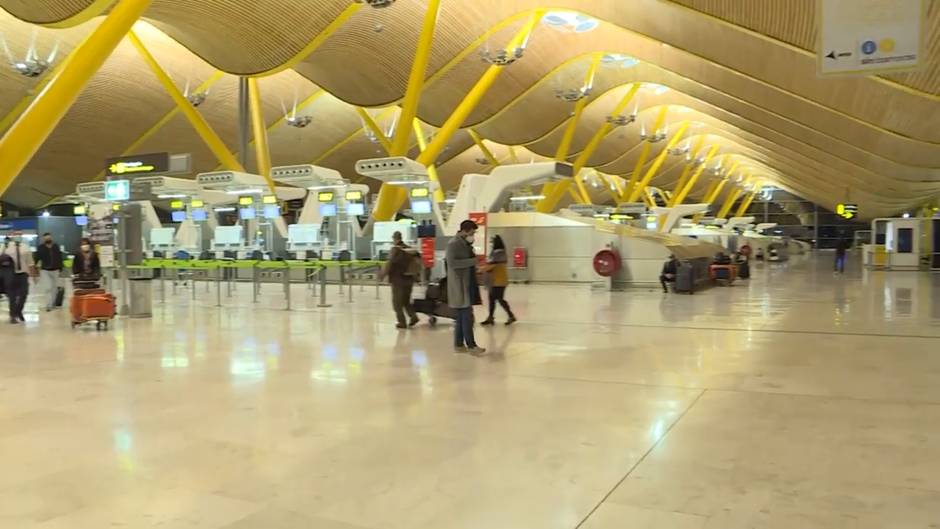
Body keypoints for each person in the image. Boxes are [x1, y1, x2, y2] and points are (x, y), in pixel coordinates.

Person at [445, 220, 485, 354]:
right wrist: (473, 261)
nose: (473, 235)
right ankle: (471, 346)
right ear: (465, 231)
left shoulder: (466, 244)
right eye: (472, 232)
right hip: (459, 284)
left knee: (462, 316)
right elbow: (452, 263)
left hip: (467, 283)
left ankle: (458, 344)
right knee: (467, 316)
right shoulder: (453, 244)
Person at [385, 231, 420, 329]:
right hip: (409, 280)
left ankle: (402, 322)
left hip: (398, 280)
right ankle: (413, 316)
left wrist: (382, 275)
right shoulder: (409, 249)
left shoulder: (395, 250)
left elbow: (389, 264)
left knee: (397, 303)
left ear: (394, 239)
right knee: (406, 301)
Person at [481, 235, 516, 325]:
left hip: (499, 280)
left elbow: (492, 265)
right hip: (494, 280)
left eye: (492, 242)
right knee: (492, 299)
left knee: (499, 299)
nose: (491, 244)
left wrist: (481, 269)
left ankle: (511, 315)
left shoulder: (499, 253)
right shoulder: (495, 253)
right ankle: (490, 317)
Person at [2, 236, 35, 323]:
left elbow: (30, 262)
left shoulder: (26, 247)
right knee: (12, 296)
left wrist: (33, 275)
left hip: (23, 274)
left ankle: (18, 311)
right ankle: (13, 315)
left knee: (24, 293)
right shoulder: (6, 247)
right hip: (9, 274)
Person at [34, 232, 64, 311]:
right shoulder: (41, 247)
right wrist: (34, 266)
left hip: (55, 270)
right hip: (45, 270)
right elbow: (36, 258)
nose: (47, 239)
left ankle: (53, 303)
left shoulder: (56, 246)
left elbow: (59, 257)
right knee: (47, 287)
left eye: (49, 238)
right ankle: (49, 304)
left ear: (51, 238)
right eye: (46, 238)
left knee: (54, 288)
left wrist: (61, 268)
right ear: (44, 239)